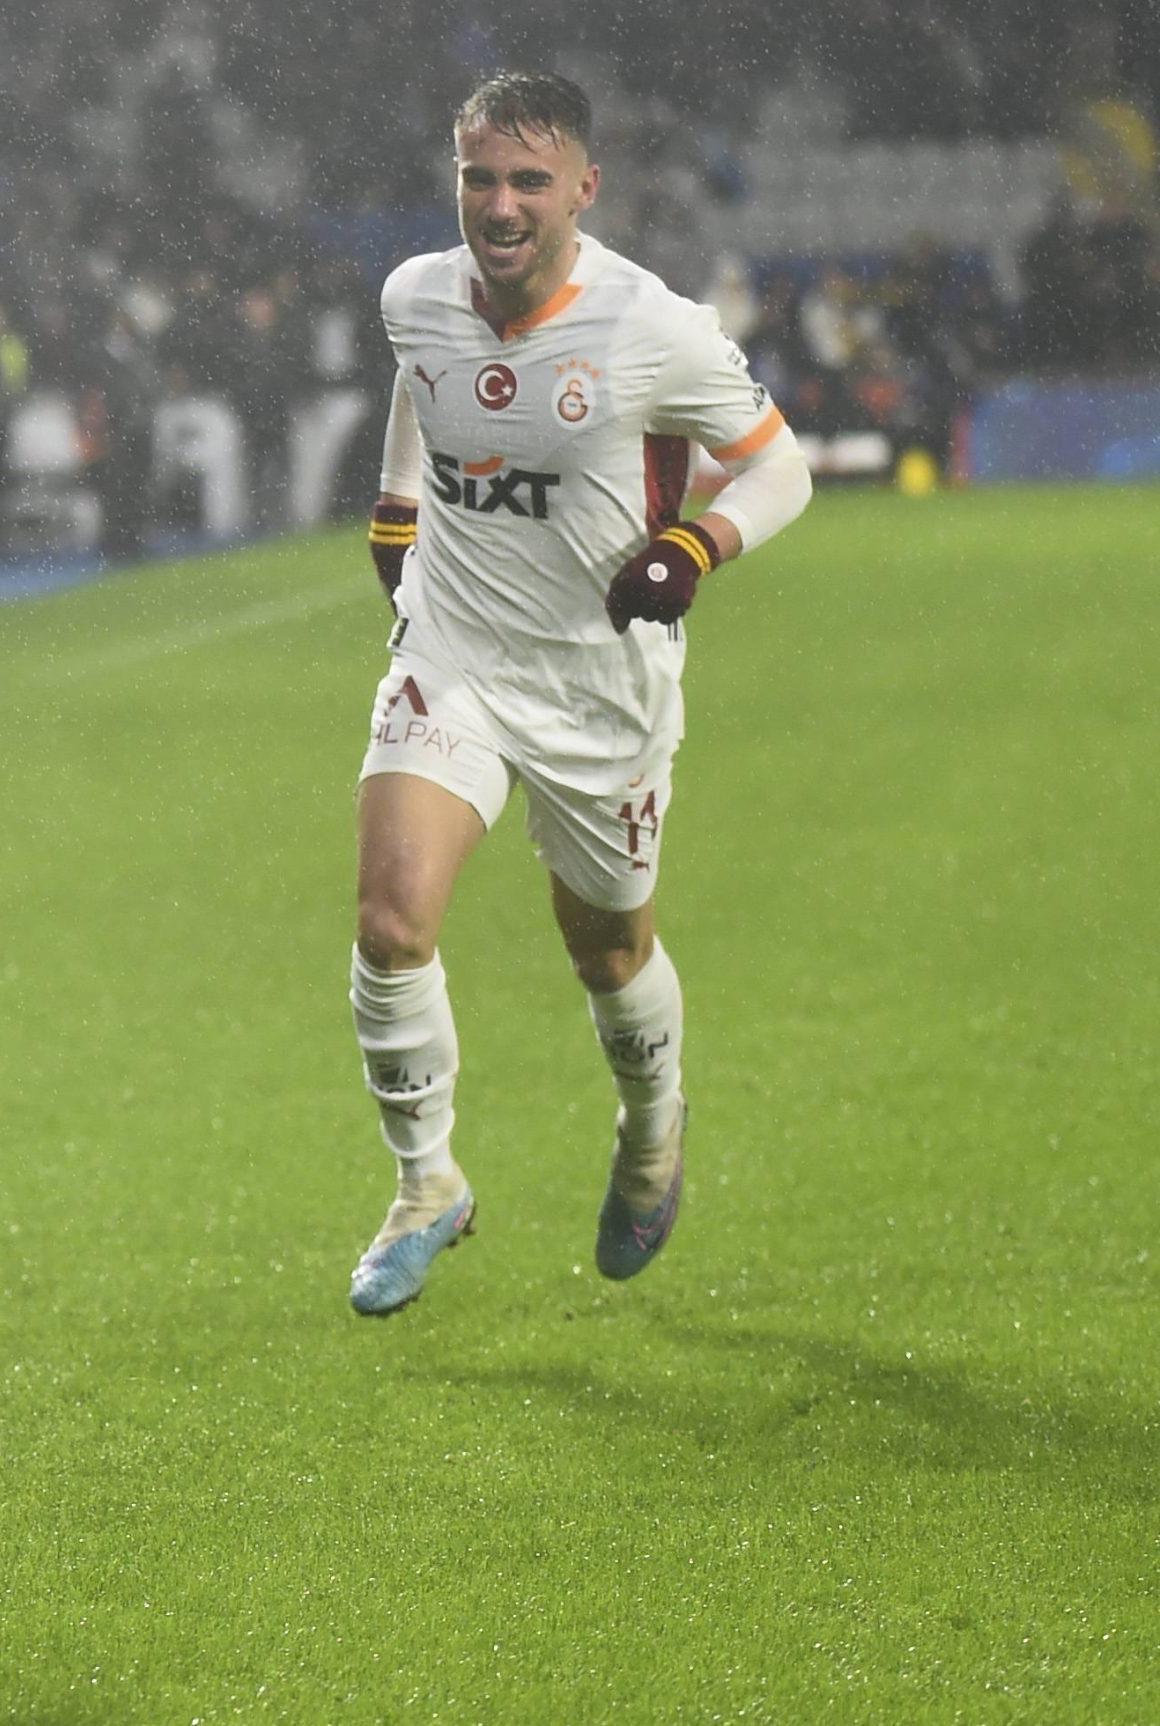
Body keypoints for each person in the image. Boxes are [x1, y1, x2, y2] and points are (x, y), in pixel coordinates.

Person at [343, 73, 813, 1316]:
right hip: (452, 653)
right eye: (478, 179)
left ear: (582, 190)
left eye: (528, 182)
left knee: (604, 948)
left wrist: (694, 548)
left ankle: (652, 1132)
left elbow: (778, 469)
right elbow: (419, 376)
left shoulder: (648, 327)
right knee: (392, 921)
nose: (499, 206)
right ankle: (424, 1182)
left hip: (599, 683)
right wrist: (398, 504)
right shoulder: (413, 295)